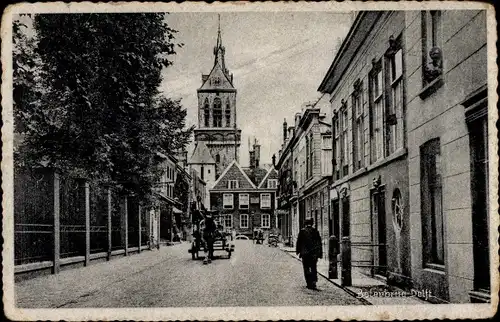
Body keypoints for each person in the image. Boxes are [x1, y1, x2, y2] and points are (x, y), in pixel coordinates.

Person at [296, 217, 323, 290]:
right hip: (313, 254)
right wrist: (319, 253)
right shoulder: (315, 231)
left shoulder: (302, 231)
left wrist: (298, 251)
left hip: (305, 254)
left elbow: (299, 242)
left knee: (306, 267)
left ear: (305, 223)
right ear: (312, 223)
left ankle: (308, 282)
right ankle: (314, 281)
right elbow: (319, 243)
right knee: (314, 267)